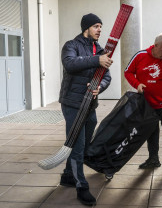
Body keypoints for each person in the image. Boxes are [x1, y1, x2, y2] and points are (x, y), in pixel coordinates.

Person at [59, 13, 113, 206]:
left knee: (82, 141)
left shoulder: (100, 49)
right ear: (86, 28)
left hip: (90, 104)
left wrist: (101, 87)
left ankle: (67, 175)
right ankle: (81, 187)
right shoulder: (71, 45)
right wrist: (96, 60)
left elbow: (107, 76)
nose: (100, 30)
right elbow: (70, 64)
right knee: (78, 146)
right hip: (73, 103)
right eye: (96, 26)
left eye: (101, 26)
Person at [124, 33, 162, 171]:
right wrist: (137, 84)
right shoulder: (140, 56)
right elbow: (128, 72)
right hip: (148, 104)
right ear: (155, 46)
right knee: (151, 132)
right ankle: (153, 159)